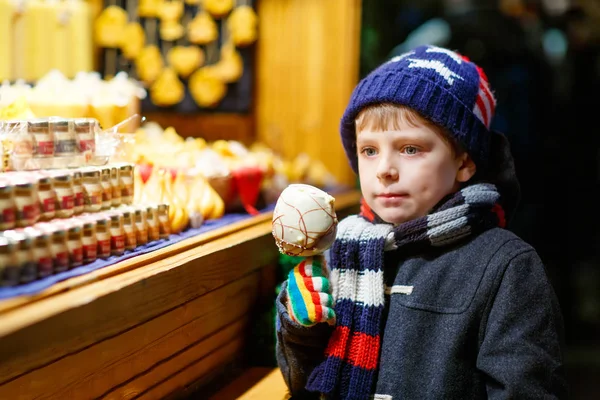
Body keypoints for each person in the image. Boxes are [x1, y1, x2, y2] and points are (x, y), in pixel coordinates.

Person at [275, 45, 568, 399]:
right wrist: (301, 329)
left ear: (464, 161)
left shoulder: (507, 268)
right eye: (369, 150)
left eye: (410, 149)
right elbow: (302, 384)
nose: (384, 170)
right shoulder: (340, 251)